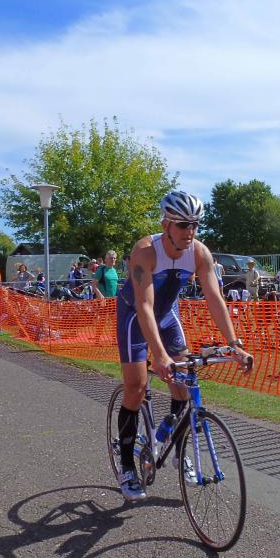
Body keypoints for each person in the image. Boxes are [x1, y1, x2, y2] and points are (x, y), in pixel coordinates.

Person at [114, 191, 252, 501]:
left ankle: (177, 451)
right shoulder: (145, 251)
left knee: (184, 384)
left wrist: (234, 345)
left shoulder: (199, 252)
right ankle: (127, 467)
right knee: (136, 387)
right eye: (183, 225)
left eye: (195, 225)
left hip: (167, 316)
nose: (190, 231)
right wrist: (160, 355)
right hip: (135, 316)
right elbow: (144, 306)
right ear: (166, 225)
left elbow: (214, 298)